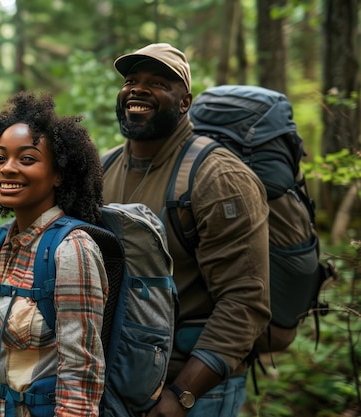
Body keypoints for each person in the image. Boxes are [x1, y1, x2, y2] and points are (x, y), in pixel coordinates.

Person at [102, 43, 271, 416]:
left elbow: (245, 302)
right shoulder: (103, 168)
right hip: (117, 383)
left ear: (184, 102)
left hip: (193, 391)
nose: (138, 89)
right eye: (131, 80)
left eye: (159, 82)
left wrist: (181, 396)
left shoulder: (219, 177)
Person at [0, 91, 108, 417]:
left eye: (27, 159)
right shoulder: (1, 243)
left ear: (58, 173)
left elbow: (80, 379)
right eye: (0, 158)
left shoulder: (72, 252)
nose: (7, 169)